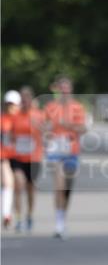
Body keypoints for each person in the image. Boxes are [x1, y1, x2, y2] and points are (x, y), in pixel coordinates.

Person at [43, 76, 87, 238]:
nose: (64, 92)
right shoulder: (50, 107)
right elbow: (44, 127)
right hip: (55, 151)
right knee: (59, 186)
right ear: (57, 90)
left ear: (71, 91)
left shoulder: (77, 107)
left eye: (67, 89)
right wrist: (47, 129)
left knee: (67, 188)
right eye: (62, 89)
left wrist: (68, 125)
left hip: (71, 151)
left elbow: (83, 129)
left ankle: (62, 216)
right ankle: (59, 223)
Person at [10, 86, 43, 232]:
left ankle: (29, 215)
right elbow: (7, 133)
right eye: (22, 100)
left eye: (27, 99)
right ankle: (18, 219)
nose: (25, 102)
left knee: (30, 189)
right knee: (18, 184)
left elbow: (47, 132)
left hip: (34, 157)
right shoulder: (14, 115)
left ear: (31, 100)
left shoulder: (38, 115)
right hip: (17, 156)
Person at [1, 90, 21, 229]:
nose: (11, 107)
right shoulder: (2, 119)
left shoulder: (23, 118)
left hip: (20, 156)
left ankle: (18, 216)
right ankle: (6, 214)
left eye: (13, 104)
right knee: (7, 183)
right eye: (9, 104)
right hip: (4, 156)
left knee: (18, 185)